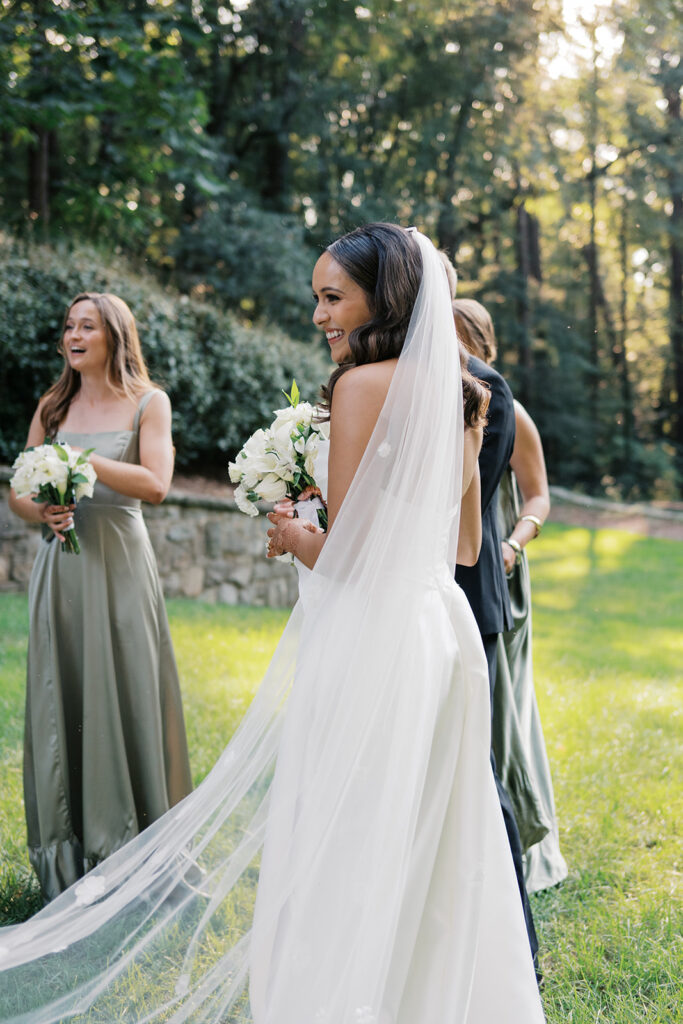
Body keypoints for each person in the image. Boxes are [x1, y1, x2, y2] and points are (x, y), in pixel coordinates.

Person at [0, 229, 545, 1024]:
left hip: (374, 635)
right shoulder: (468, 392)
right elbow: (463, 547)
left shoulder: (360, 387)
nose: (320, 314)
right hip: (440, 630)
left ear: (383, 297)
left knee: (347, 824)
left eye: (333, 297)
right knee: (432, 828)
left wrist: (293, 531)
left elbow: (348, 557)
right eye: (317, 297)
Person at [8, 292, 193, 902]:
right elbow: (18, 491)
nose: (74, 335)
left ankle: (137, 851)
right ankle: (70, 863)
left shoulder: (149, 402)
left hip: (120, 568)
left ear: (115, 335)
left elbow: (156, 482)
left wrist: (81, 461)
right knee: (64, 698)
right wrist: (46, 506)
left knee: (130, 694)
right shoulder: (52, 405)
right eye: (68, 326)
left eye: (88, 326)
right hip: (61, 571)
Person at [453, 297, 567, 893]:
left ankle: (520, 830)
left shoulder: (509, 413)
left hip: (497, 562)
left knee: (507, 707)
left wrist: (516, 542)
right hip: (457, 559)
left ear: (480, 344)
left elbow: (539, 495)